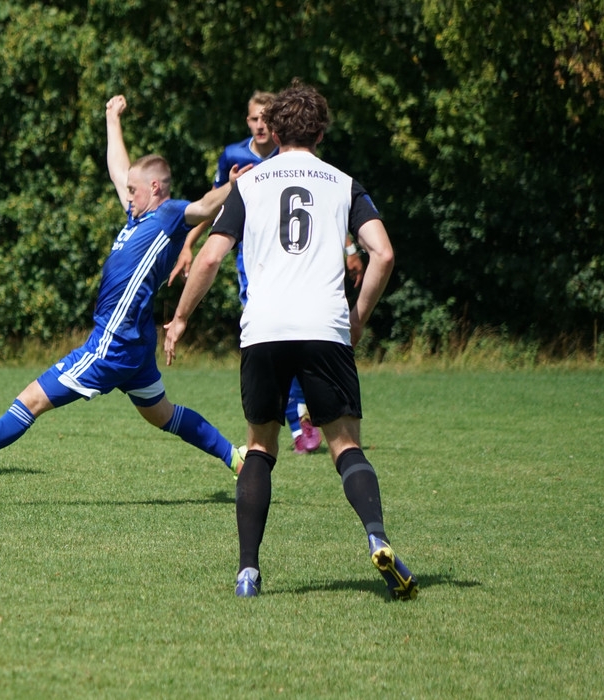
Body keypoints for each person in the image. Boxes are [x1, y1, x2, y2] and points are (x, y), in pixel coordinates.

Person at [164, 80, 417, 600]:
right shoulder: (343, 183)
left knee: (260, 447)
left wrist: (181, 318)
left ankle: (248, 573)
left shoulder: (250, 183)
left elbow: (210, 257)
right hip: (325, 326)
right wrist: (357, 316)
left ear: (274, 132)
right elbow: (384, 253)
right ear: (321, 133)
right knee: (345, 444)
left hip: (265, 329)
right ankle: (377, 537)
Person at [0, 94, 246, 482]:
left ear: (155, 187)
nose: (128, 196)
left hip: (112, 344)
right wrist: (111, 117)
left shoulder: (168, 215)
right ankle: (235, 457)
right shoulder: (138, 217)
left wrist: (232, 187)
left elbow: (204, 207)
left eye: (134, 191)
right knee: (162, 414)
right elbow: (119, 169)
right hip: (135, 342)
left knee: (31, 400)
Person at [171, 91, 366, 456]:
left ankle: (298, 417)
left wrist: (349, 247)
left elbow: (323, 211)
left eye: (265, 118)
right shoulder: (234, 157)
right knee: (282, 337)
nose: (259, 124)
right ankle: (299, 418)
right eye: (253, 118)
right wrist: (188, 243)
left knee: (275, 339)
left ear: (275, 128)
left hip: (290, 270)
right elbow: (213, 207)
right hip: (254, 266)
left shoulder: (293, 160)